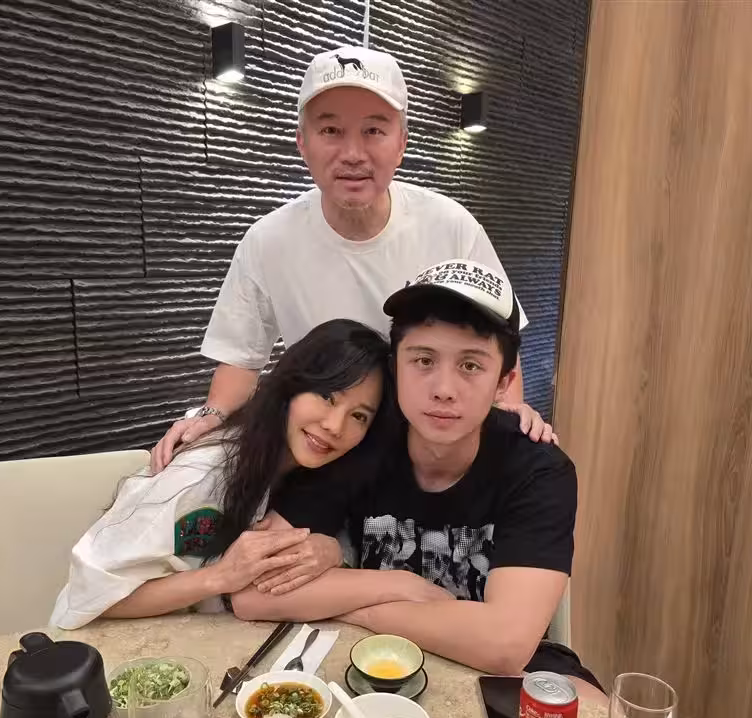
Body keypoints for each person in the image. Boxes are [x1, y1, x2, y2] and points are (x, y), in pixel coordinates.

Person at [151, 44, 553, 474]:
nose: (353, 154)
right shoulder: (268, 240)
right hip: (328, 450)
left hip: (428, 452)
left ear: (401, 143)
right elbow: (241, 358)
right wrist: (211, 416)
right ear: (302, 143)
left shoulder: (451, 225)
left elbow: (498, 336)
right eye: (331, 130)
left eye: (374, 131)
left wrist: (510, 414)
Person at [229, 259, 605, 701]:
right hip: (370, 660)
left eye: (471, 366)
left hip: (497, 668)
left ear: (504, 383)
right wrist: (401, 588)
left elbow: (506, 645)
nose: (443, 389)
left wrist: (359, 608)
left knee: (595, 716)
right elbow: (252, 593)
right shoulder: (356, 442)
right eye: (423, 360)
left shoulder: (537, 469)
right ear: (395, 369)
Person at [51, 320, 451, 630]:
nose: (335, 425)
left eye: (359, 416)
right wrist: (219, 578)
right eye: (327, 396)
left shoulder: (311, 473)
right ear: (292, 385)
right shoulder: (202, 476)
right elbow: (90, 598)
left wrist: (331, 549)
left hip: (214, 641)